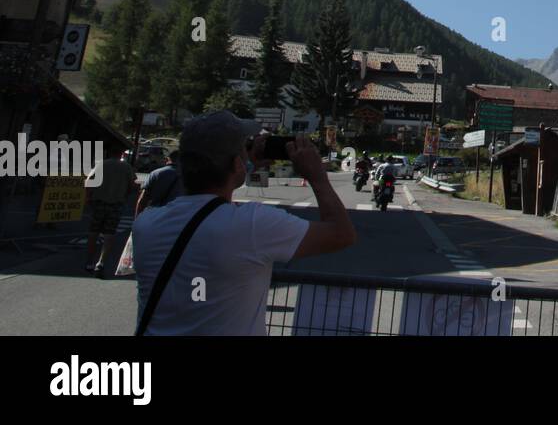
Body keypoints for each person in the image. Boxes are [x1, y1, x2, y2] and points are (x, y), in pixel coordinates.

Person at [131, 111, 357, 335]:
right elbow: (341, 234)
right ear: (235, 163)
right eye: (244, 148)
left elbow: (208, 207)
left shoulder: (146, 224)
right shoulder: (253, 224)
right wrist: (317, 175)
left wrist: (245, 166)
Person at [84, 149, 138, 278]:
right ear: (121, 154)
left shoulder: (101, 164)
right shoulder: (126, 167)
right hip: (116, 204)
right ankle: (101, 262)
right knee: (109, 233)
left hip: (99, 202)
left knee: (93, 232)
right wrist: (125, 193)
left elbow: (88, 181)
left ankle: (89, 261)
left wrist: (88, 198)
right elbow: (133, 185)